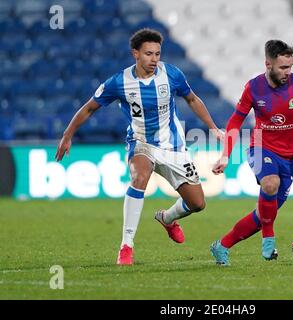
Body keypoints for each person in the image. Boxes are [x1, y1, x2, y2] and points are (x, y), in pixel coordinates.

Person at [55, 28, 223, 265]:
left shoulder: (171, 74)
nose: (154, 59)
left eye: (157, 54)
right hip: (141, 142)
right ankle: (126, 246)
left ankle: (166, 218)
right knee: (139, 177)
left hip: (174, 146)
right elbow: (89, 107)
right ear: (135, 53)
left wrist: (213, 127)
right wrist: (67, 134)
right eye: (148, 54)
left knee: (197, 203)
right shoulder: (119, 82)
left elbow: (193, 99)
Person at [210, 40, 293, 265]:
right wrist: (225, 155)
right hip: (261, 147)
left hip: (290, 158)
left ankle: (221, 246)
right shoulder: (253, 88)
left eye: (290, 66)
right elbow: (234, 122)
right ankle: (268, 238)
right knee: (270, 183)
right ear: (268, 64)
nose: (288, 72)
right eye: (283, 67)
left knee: (263, 215)